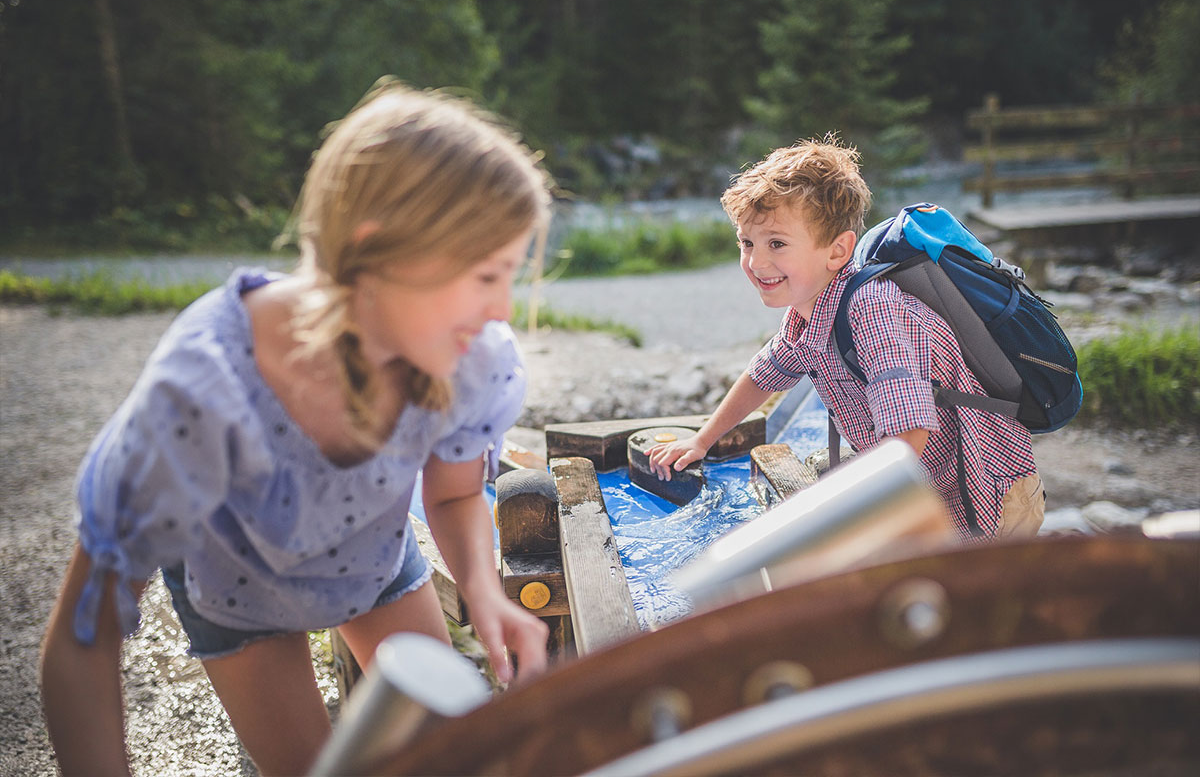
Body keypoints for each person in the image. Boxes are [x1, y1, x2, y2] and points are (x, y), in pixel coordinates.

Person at [40, 81, 553, 776]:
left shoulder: (468, 359)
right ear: (376, 253)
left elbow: (458, 493)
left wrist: (485, 593)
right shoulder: (200, 395)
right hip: (235, 590)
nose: (502, 310)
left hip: (370, 559)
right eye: (486, 275)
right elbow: (84, 640)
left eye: (512, 277)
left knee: (452, 757)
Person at [648, 137, 1044, 540]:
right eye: (747, 243)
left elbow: (909, 430)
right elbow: (763, 375)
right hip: (928, 487)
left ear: (837, 252)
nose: (755, 262)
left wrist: (853, 516)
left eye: (777, 244)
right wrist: (702, 441)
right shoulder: (808, 313)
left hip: (988, 495)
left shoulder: (871, 308)